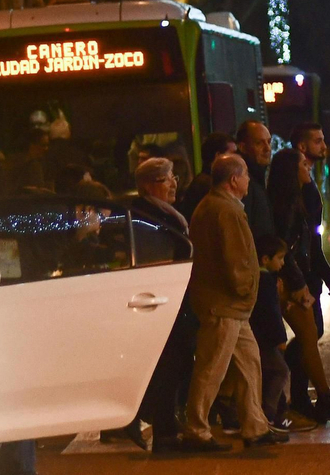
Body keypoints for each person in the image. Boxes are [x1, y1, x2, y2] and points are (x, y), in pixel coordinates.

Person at [181, 153, 285, 451]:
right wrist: (246, 288)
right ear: (234, 179)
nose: (249, 181)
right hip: (224, 306)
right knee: (211, 368)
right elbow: (235, 258)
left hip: (230, 307)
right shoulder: (226, 211)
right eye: (246, 176)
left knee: (249, 365)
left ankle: (255, 426)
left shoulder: (213, 206)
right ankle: (196, 430)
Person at [268, 147, 330, 424]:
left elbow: (310, 247)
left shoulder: (297, 199)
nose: (308, 169)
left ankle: (318, 398)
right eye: (303, 165)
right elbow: (285, 251)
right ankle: (322, 399)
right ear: (291, 171)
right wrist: (297, 285)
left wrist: (325, 276)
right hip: (291, 282)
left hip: (297, 278)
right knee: (307, 337)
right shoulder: (285, 205)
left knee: (308, 337)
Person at [132, 157, 199, 452]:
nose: (174, 184)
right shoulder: (147, 216)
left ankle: (157, 424)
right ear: (148, 186)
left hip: (171, 299)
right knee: (169, 365)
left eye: (174, 177)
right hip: (164, 302)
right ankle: (163, 430)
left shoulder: (165, 213)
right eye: (167, 179)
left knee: (176, 363)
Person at [288, 123, 330, 418]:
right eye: (318, 141)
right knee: (311, 333)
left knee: (312, 332)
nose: (324, 146)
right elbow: (306, 237)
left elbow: (313, 238)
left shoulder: (307, 181)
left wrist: (326, 276)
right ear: (302, 147)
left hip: (307, 272)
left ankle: (300, 396)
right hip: (300, 275)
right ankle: (304, 395)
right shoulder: (298, 186)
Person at [252, 235, 300, 432]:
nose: (282, 263)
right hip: (267, 339)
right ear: (265, 259)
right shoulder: (266, 281)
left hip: (261, 337)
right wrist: (281, 339)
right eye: (279, 259)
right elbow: (270, 313)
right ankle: (269, 416)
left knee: (267, 373)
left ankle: (276, 415)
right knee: (280, 371)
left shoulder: (260, 279)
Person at [235, 121, 277, 242]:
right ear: (243, 147)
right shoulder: (242, 183)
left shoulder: (258, 179)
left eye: (269, 142)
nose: (267, 148)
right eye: (259, 143)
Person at [179, 133, 236, 219]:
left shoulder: (203, 181)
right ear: (218, 156)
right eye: (232, 153)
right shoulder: (209, 186)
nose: (237, 158)